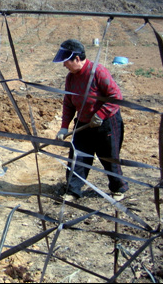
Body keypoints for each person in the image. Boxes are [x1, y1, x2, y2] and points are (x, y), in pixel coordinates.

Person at [53, 39, 128, 202]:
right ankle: (73, 190)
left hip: (107, 122)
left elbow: (116, 96)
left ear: (77, 59)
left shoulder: (98, 71)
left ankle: (118, 187)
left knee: (109, 156)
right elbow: (68, 102)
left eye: (66, 62)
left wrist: (100, 114)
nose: (64, 65)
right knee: (77, 157)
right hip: (83, 122)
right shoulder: (70, 78)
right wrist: (64, 127)